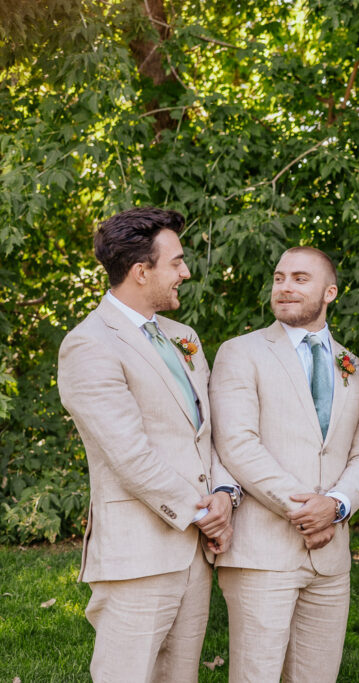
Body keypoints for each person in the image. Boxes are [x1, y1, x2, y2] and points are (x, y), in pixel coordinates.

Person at [57, 207, 237, 682]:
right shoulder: (90, 344)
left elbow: (209, 431)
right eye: (176, 262)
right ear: (141, 272)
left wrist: (224, 495)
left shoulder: (184, 337)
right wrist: (201, 513)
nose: (186, 272)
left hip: (193, 551)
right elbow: (129, 454)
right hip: (138, 552)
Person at [209, 246, 359, 682]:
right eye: (279, 277)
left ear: (330, 292)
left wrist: (338, 505)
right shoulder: (240, 352)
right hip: (263, 552)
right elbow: (236, 443)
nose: (285, 286)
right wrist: (306, 511)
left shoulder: (354, 366)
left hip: (330, 557)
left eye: (300, 279)